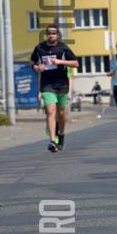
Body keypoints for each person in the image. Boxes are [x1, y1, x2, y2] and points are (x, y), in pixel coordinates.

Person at [30, 25, 79, 153]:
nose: (51, 35)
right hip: (47, 84)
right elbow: (32, 63)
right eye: (49, 33)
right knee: (50, 111)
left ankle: (61, 134)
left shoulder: (63, 48)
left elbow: (76, 63)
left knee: (61, 113)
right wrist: (37, 68)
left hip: (61, 84)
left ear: (57, 35)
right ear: (46, 35)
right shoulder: (40, 48)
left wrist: (60, 62)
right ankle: (52, 141)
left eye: (54, 33)